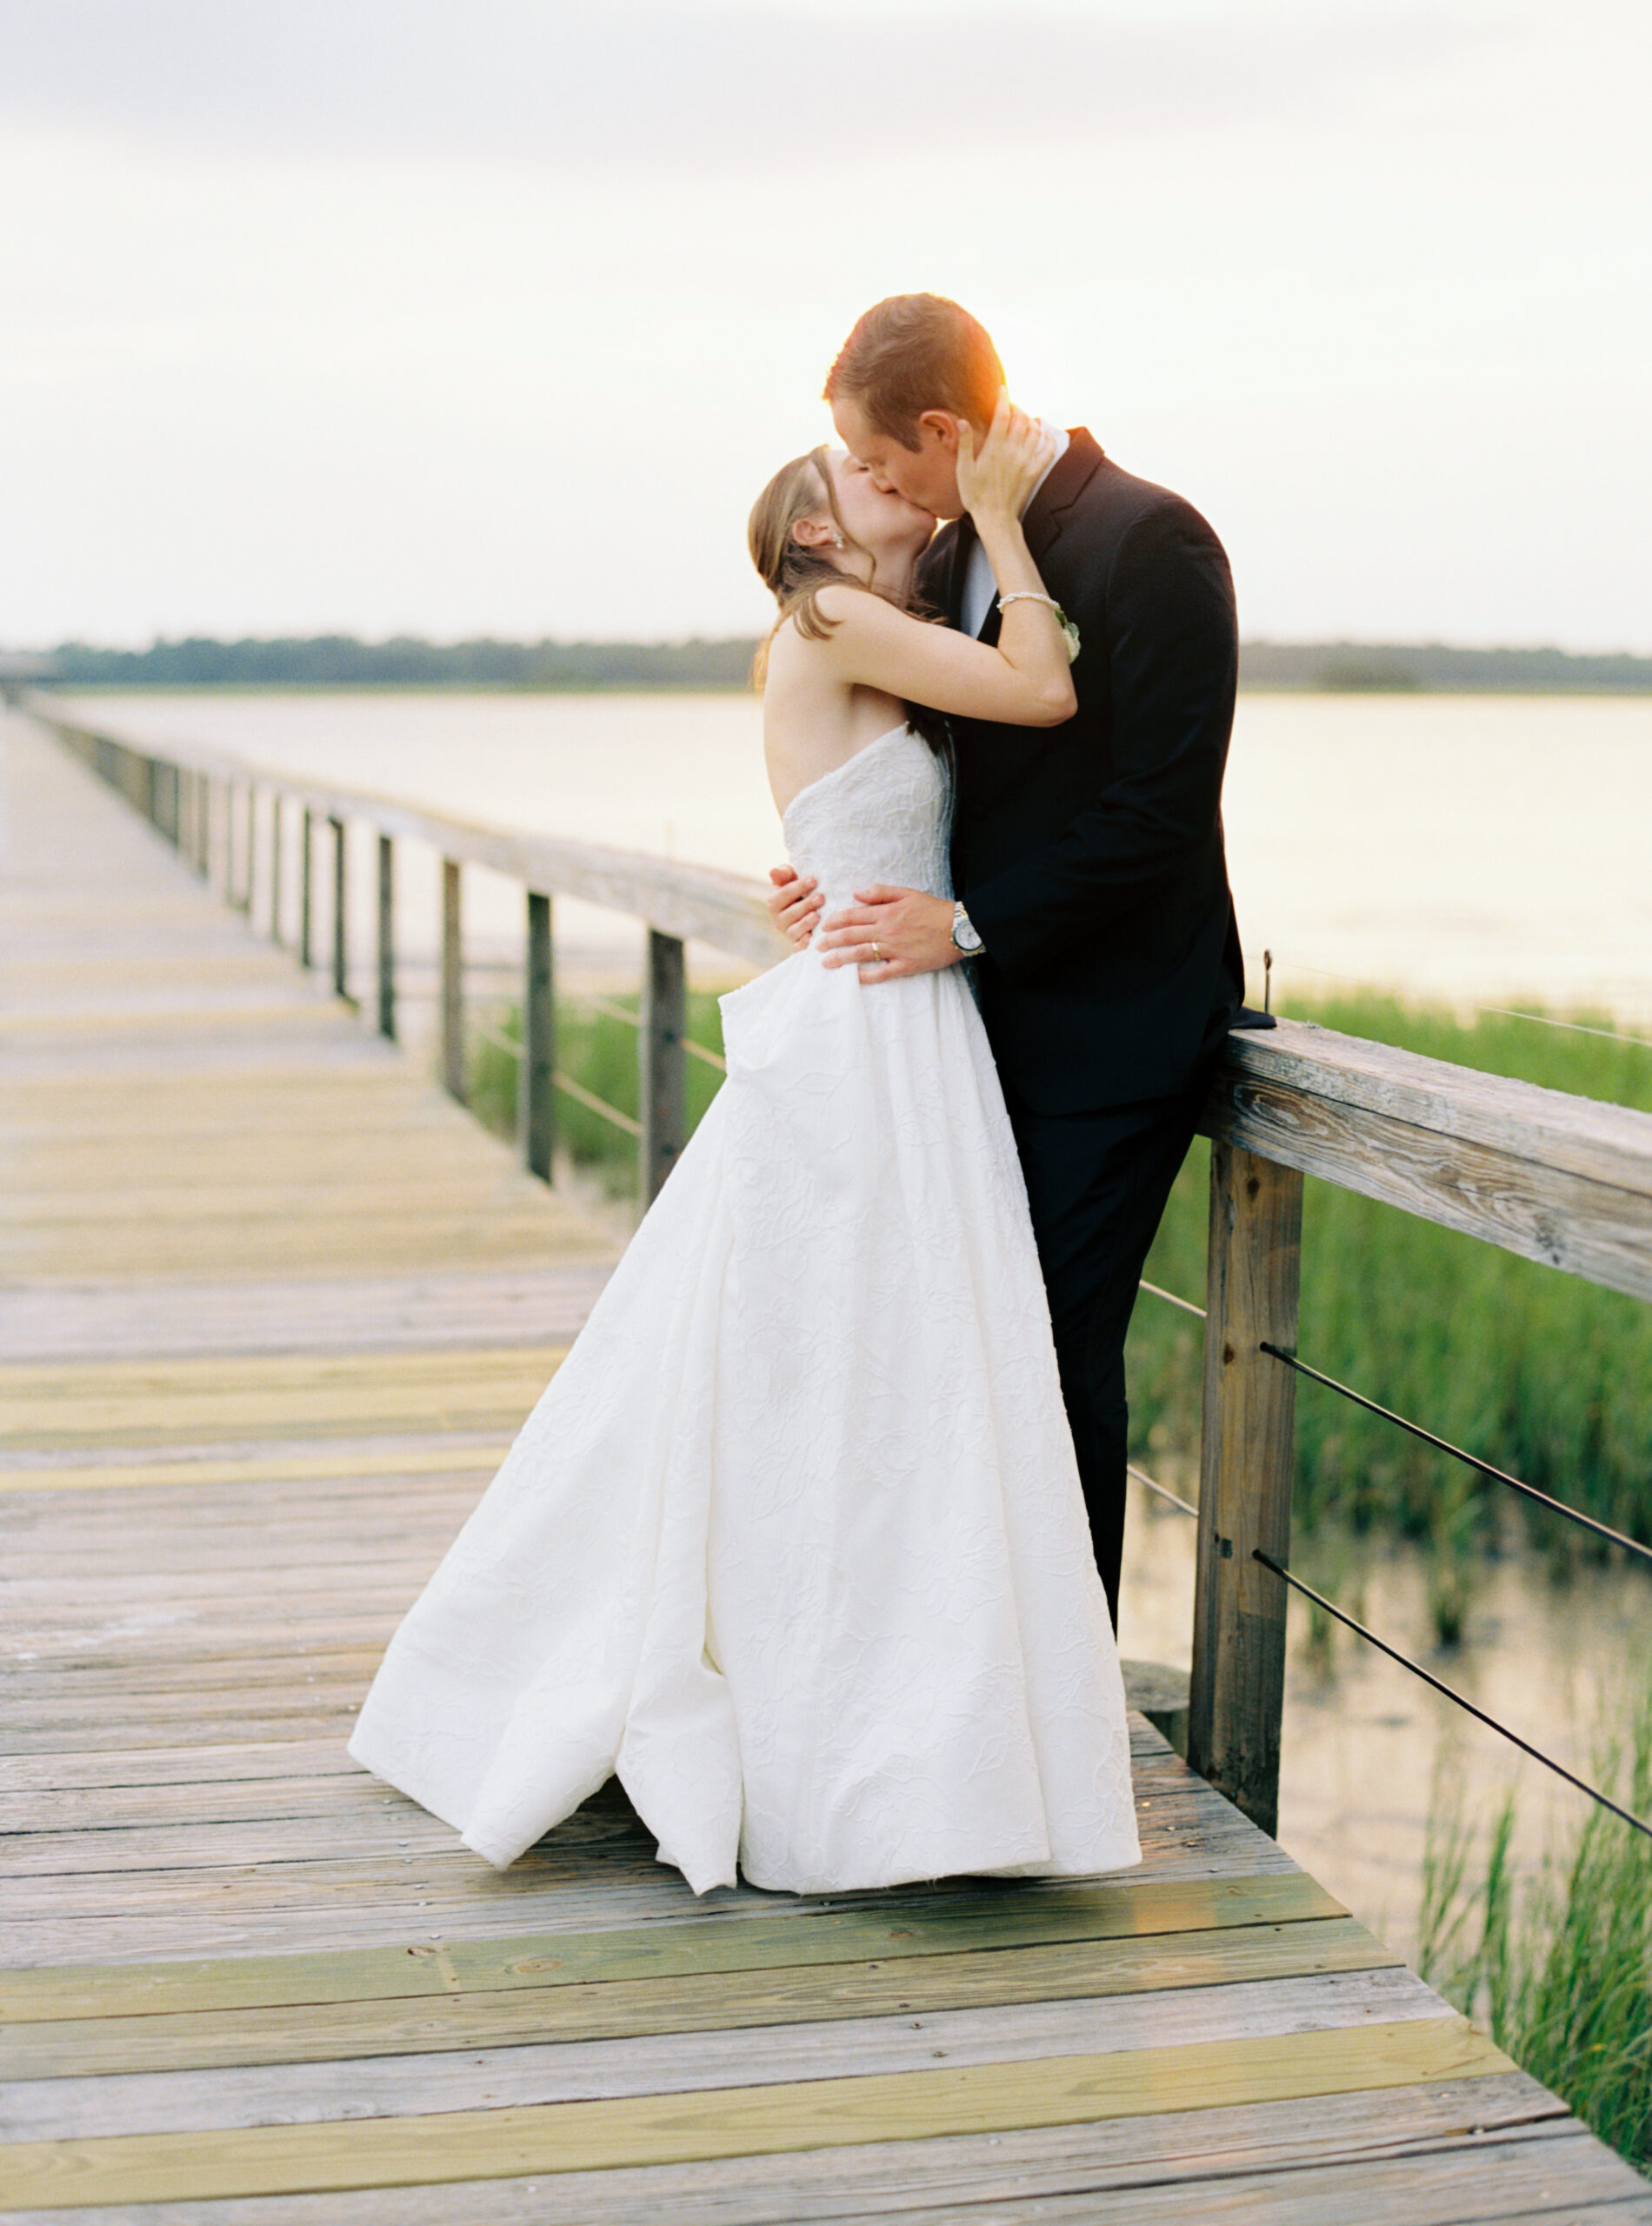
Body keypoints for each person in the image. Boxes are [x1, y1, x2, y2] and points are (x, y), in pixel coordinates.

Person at [348, 401, 1142, 1899]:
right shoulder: (832, 612)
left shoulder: (843, 628)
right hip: (877, 1033)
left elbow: (881, 813)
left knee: (855, 1368)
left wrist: (835, 878)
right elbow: (1042, 692)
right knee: (863, 1362)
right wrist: (1017, 518)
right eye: (857, 471)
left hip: (892, 1008)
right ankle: (854, 1733)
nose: (888, 475)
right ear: (813, 535)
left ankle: (888, 1714)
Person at [769, 294, 1262, 1626]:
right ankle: (964, 1669)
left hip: (1113, 1035)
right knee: (962, 1351)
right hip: (966, 1031)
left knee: (1049, 1353)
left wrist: (967, 925)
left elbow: (1156, 812)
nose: (875, 486)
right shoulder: (940, 564)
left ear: (942, 431)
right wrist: (839, 875)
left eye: (881, 462)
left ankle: (1067, 1691)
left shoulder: (1147, 539)